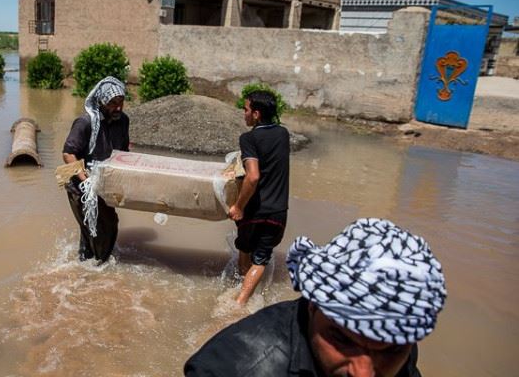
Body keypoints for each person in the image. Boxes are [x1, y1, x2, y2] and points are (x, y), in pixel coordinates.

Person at [184, 218, 447, 377]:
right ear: (312, 306)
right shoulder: (236, 368)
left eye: (390, 350)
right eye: (343, 340)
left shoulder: (395, 336)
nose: (364, 372)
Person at [227, 90, 290, 305]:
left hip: (254, 211)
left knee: (244, 250)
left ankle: (239, 301)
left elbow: (252, 177)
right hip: (278, 213)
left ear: (256, 114)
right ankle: (245, 298)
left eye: (245, 110)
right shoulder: (283, 134)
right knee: (261, 259)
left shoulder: (248, 138)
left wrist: (238, 206)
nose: (243, 114)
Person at [62, 76, 129, 264]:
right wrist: (86, 181)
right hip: (81, 187)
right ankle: (93, 267)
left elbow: (124, 152)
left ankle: (91, 263)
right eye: (113, 103)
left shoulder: (123, 121)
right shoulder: (85, 122)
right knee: (92, 228)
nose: (118, 108)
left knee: (108, 225)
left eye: (121, 102)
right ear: (101, 102)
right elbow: (68, 154)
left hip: (106, 183)